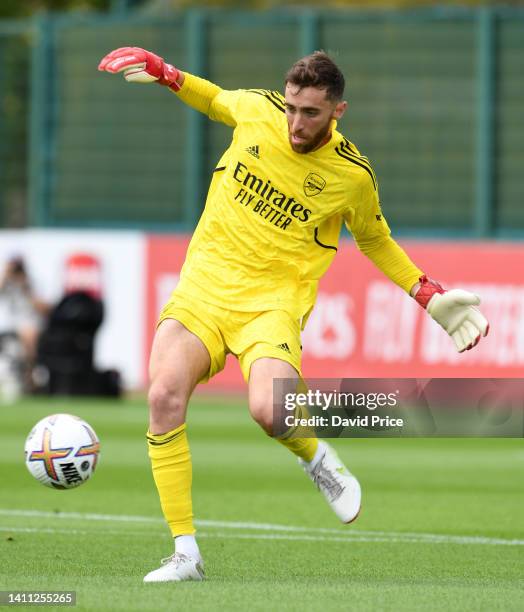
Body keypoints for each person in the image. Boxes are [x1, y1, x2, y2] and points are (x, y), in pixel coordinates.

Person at [98, 48, 489, 582]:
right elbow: (213, 98)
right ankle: (185, 552)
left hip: (273, 303)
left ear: (338, 112)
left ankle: (315, 456)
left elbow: (375, 240)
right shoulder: (258, 110)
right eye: (291, 108)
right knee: (164, 396)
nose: (296, 123)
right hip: (204, 287)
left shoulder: (352, 175)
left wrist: (427, 294)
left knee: (269, 411)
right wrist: (167, 74)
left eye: (311, 113)